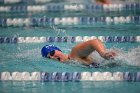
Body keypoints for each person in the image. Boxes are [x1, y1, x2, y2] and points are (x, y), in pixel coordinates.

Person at [41, 39, 116, 68]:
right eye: (48, 58)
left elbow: (94, 42)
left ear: (59, 50)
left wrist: (103, 53)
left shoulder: (73, 54)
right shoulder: (71, 63)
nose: (52, 57)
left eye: (51, 53)